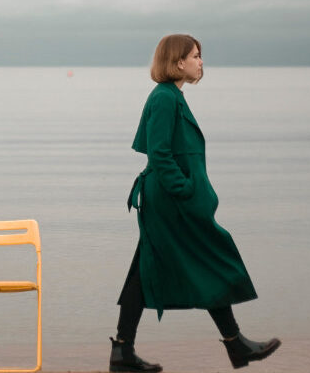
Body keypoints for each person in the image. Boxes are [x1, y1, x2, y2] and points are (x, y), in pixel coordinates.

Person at [109, 34, 281, 372]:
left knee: (152, 269)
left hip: (171, 200)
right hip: (170, 201)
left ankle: (124, 352)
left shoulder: (172, 96)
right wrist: (185, 190)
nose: (201, 62)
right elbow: (159, 152)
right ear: (177, 62)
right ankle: (235, 344)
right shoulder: (164, 98)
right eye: (196, 56)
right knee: (208, 259)